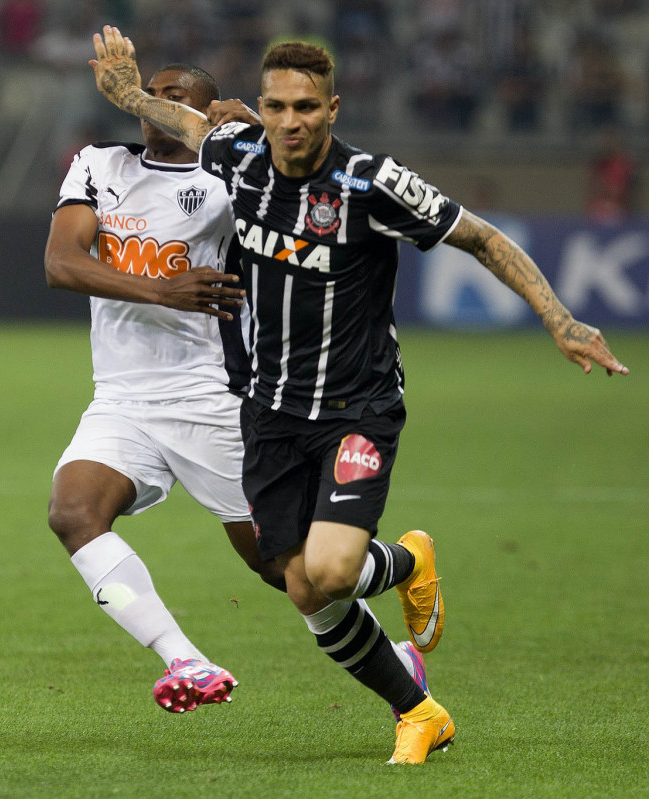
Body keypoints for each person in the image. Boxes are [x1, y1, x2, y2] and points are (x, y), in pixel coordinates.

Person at [88, 27, 628, 762]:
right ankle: (419, 690)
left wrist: (559, 319)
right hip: (270, 412)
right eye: (277, 106)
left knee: (335, 571)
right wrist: (122, 88)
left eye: (306, 107)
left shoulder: (372, 184)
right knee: (304, 588)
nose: (289, 121)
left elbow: (483, 239)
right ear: (262, 111)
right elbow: (173, 117)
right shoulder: (236, 157)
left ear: (332, 108)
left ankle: (399, 576)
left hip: (357, 410)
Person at [45, 62, 429, 716]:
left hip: (217, 399)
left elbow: (310, 176)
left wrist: (256, 127)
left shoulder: (234, 179)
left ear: (203, 112)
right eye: (152, 95)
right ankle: (184, 658)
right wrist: (161, 288)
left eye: (176, 98)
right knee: (73, 513)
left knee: (290, 572)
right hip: (121, 400)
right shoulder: (99, 165)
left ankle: (401, 572)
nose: (158, 106)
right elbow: (62, 263)